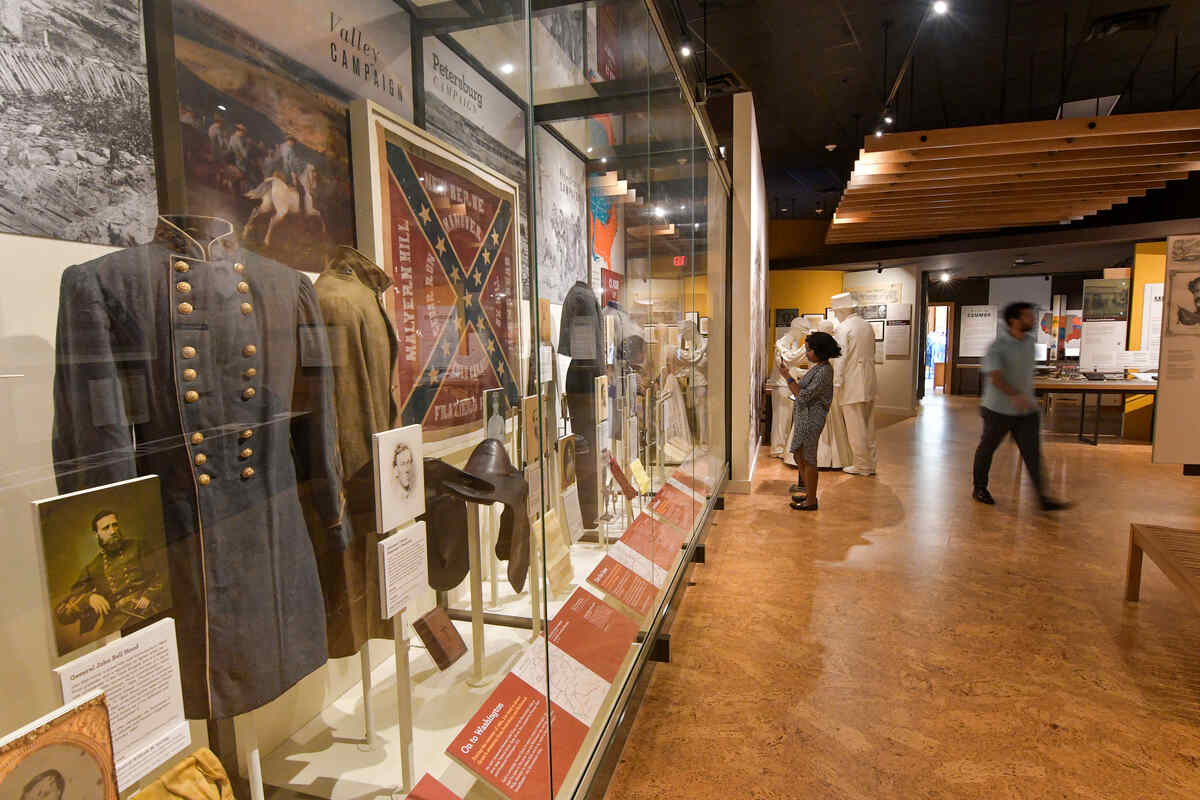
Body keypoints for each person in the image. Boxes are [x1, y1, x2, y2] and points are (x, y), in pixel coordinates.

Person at [973, 302, 1070, 511]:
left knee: (1032, 453)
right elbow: (995, 376)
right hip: (998, 409)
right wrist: (1015, 395)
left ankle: (1043, 497)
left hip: (1026, 411)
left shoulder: (1029, 343)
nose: (1032, 319)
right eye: (1027, 316)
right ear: (1014, 320)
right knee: (987, 449)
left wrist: (1025, 398)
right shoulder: (997, 347)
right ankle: (979, 488)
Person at [55, 510, 166, 634]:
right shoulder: (92, 568)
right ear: (97, 535)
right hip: (116, 623)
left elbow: (162, 574)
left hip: (148, 611)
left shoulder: (138, 546)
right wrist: (88, 599)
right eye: (105, 528)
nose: (113, 531)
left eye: (115, 525)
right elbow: (62, 614)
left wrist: (149, 595)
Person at [782, 331, 840, 511]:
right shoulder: (819, 367)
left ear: (819, 350)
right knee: (799, 454)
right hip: (804, 417)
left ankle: (812, 500)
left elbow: (803, 394)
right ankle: (809, 493)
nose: (806, 354)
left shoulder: (824, 371)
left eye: (808, 350)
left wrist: (788, 377)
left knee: (807, 458)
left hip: (811, 418)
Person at [830, 293, 878, 475]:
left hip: (852, 383)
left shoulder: (844, 328)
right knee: (868, 425)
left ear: (841, 310)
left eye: (835, 311)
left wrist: (836, 383)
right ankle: (871, 462)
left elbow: (840, 358)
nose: (835, 315)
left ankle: (862, 465)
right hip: (869, 380)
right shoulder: (866, 326)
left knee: (855, 426)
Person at [816, 319, 853, 468]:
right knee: (834, 422)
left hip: (824, 389)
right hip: (830, 388)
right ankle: (836, 458)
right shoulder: (835, 347)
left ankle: (822, 458)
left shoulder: (820, 348)